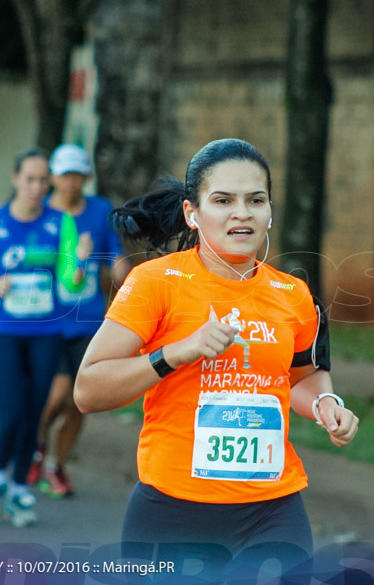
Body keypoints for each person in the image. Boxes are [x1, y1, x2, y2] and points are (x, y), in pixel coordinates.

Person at [74, 138, 359, 575]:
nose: (241, 212)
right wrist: (174, 354)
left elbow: (301, 379)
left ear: (270, 212)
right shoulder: (155, 283)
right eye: (223, 200)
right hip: (173, 511)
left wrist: (326, 405)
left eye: (255, 200)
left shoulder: (294, 295)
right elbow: (88, 390)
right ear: (192, 212)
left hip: (272, 511)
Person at [0, 148, 88, 527]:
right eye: (29, 179)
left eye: (42, 180)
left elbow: (69, 278)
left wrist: (80, 263)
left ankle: (19, 488)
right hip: (3, 333)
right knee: (11, 412)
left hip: (45, 333)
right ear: (15, 179)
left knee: (34, 412)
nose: (36, 187)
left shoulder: (61, 223)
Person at [26, 143, 125, 498]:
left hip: (88, 320)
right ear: (54, 176)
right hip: (49, 320)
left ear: (86, 177)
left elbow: (115, 255)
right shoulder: (41, 214)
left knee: (81, 400)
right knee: (57, 394)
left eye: (77, 175)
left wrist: (119, 270)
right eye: (65, 174)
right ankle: (35, 450)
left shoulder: (100, 212)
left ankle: (56, 464)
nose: (71, 182)